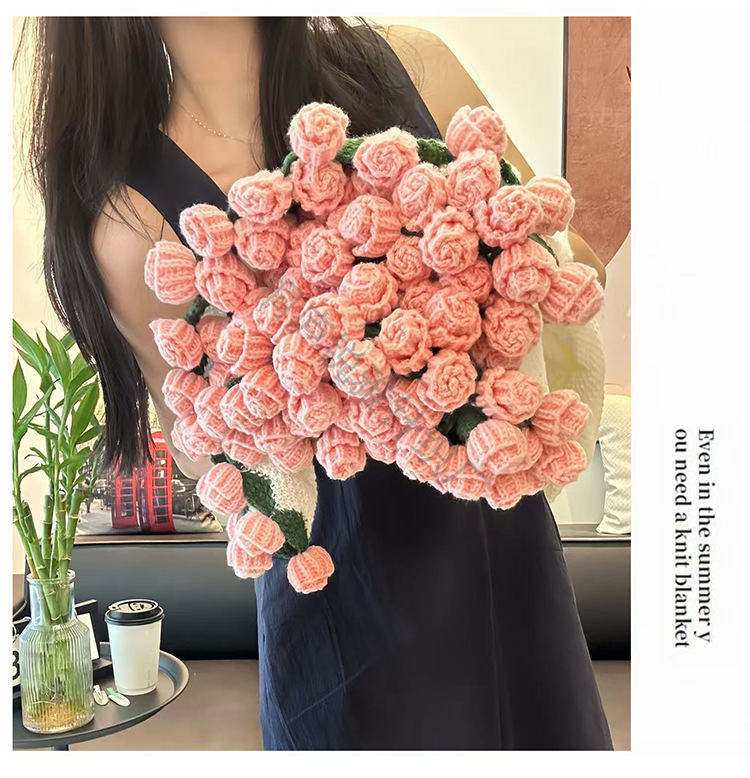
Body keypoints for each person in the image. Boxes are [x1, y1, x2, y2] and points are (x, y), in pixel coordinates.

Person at [19, 16, 612, 749]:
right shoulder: (132, 221)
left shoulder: (410, 65)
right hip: (344, 636)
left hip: (511, 579)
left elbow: (572, 270)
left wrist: (455, 273)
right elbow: (214, 462)